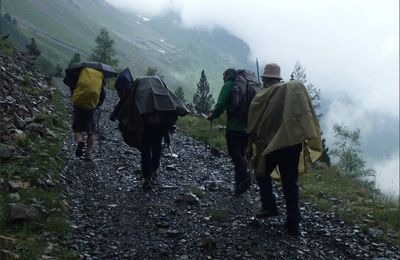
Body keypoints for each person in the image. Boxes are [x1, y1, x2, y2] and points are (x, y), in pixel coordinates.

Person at [246, 63, 322, 236]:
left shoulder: (262, 96)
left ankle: (269, 206)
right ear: (278, 78)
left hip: (271, 146)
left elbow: (253, 124)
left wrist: (249, 146)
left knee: (262, 173)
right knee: (290, 183)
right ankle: (293, 223)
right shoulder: (291, 93)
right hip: (292, 145)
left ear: (265, 79)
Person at [207, 68, 252, 195]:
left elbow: (221, 104)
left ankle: (245, 175)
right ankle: (239, 185)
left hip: (234, 126)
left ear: (228, 75)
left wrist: (213, 115)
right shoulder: (246, 87)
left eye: (223, 75)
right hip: (247, 127)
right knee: (241, 154)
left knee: (234, 152)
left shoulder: (228, 85)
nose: (222, 78)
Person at [72, 75, 106, 161]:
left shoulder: (81, 74)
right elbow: (103, 93)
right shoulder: (99, 77)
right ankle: (88, 153)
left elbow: (73, 89)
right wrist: (98, 104)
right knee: (90, 132)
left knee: (77, 128)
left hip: (79, 105)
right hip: (91, 106)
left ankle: (80, 141)